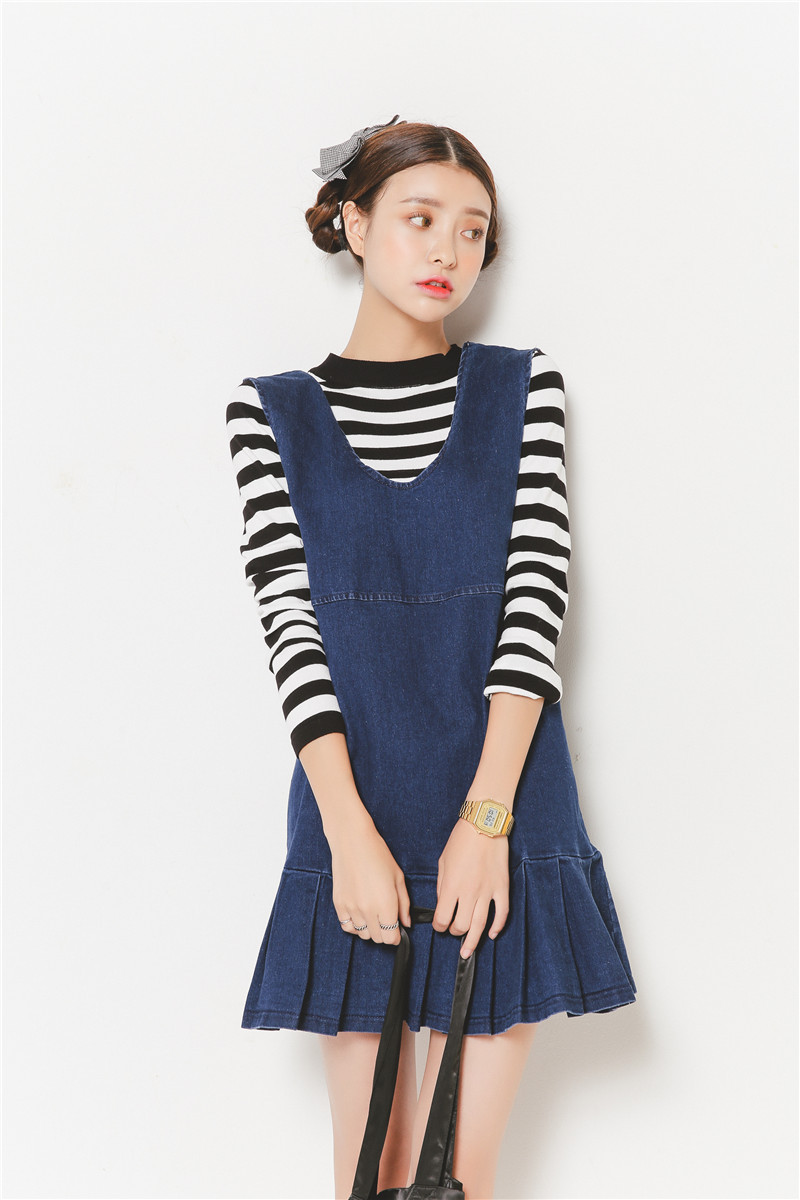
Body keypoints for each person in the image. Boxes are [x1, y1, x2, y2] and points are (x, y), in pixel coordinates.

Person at [225, 115, 637, 1199]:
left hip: (501, 797)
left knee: (458, 1173)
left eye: (471, 229)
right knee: (369, 1172)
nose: (448, 250)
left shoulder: (521, 388)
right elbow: (291, 632)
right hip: (351, 802)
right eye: (419, 219)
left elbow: (533, 607)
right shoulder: (269, 413)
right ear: (355, 224)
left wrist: (485, 823)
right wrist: (347, 833)